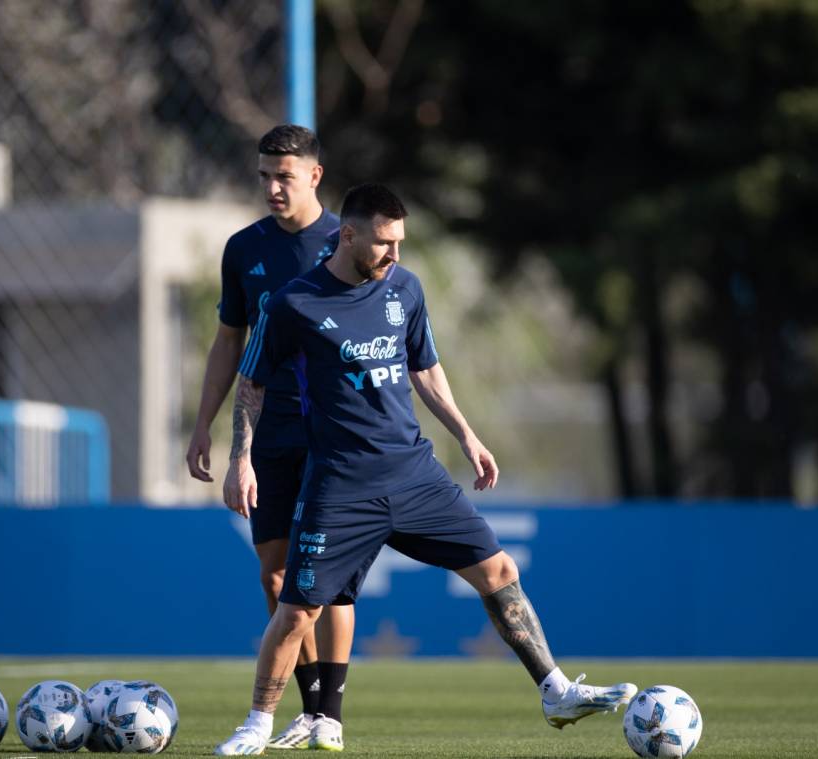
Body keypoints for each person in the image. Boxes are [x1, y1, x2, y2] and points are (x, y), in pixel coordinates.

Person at [214, 184, 636, 756]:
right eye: (384, 243)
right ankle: (258, 725)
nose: (395, 255)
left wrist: (466, 433)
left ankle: (555, 691)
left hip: (416, 475)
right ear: (349, 235)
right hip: (340, 485)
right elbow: (253, 381)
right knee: (297, 611)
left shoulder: (404, 290)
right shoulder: (292, 304)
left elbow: (426, 367)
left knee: (499, 570)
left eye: (401, 243)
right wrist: (241, 458)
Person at [187, 124, 355, 751]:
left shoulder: (349, 240)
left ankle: (328, 713)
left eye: (283, 175)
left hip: (334, 431)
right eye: (263, 175)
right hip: (269, 429)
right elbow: (230, 339)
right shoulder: (244, 249)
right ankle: (309, 710)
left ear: (314, 175)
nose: (271, 187)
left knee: (327, 579)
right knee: (277, 580)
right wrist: (207, 425)